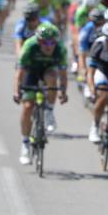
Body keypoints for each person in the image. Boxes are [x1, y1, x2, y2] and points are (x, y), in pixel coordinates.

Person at [13, 23, 68, 164]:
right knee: (27, 107)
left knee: (51, 79)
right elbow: (19, 73)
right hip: (31, 71)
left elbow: (62, 75)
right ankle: (25, 144)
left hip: (48, 70)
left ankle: (49, 111)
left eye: (52, 43)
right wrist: (16, 91)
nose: (49, 46)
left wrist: (63, 91)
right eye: (44, 43)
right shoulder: (29, 47)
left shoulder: (60, 49)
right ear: (38, 41)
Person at [78, 7, 107, 98]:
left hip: (105, 53)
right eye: (96, 23)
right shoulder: (87, 29)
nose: (98, 25)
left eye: (101, 23)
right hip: (90, 53)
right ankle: (88, 85)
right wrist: (83, 69)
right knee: (88, 65)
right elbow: (82, 51)